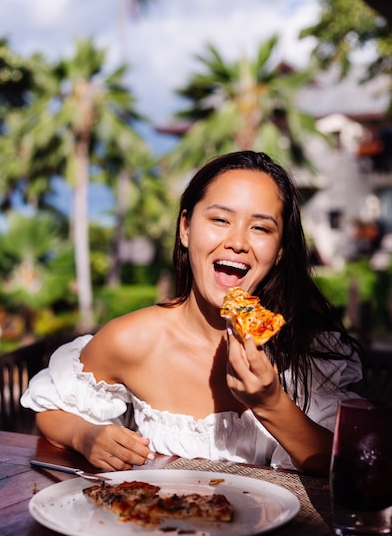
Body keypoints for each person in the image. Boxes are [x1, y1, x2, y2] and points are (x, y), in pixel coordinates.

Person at [21, 150, 363, 476]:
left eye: (260, 228)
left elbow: (351, 465)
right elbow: (51, 408)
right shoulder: (132, 339)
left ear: (279, 252)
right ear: (186, 227)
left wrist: (270, 402)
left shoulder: (305, 348)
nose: (238, 241)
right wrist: (86, 437)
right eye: (220, 219)